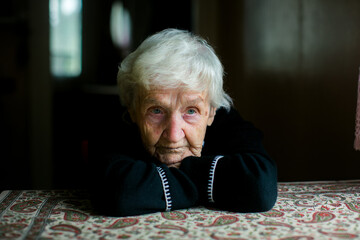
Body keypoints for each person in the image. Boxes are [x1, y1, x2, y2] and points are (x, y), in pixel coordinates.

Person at [89, 28, 277, 217]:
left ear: (211, 112)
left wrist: (161, 184)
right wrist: (215, 180)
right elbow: (119, 193)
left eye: (190, 111)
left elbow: (259, 187)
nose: (173, 135)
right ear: (133, 110)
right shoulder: (115, 126)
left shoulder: (227, 122)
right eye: (156, 110)